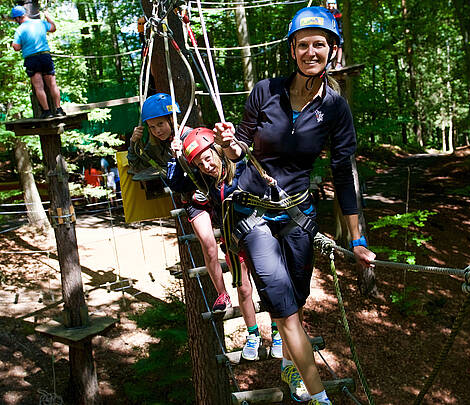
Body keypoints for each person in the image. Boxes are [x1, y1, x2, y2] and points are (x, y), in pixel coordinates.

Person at [213, 7, 375, 404]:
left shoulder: (335, 109)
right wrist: (230, 145)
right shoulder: (265, 92)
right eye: (302, 45)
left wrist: (357, 238)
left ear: (332, 50)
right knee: (285, 311)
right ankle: (318, 396)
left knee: (296, 302)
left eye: (319, 44)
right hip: (252, 213)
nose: (310, 51)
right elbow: (240, 148)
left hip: (298, 216)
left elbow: (344, 171)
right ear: (292, 51)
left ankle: (290, 365)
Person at [175, 127, 284, 361]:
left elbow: (243, 153)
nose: (206, 166)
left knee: (268, 285)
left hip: (259, 236)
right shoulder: (205, 180)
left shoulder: (240, 168)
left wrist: (229, 141)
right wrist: (179, 156)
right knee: (243, 288)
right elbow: (180, 180)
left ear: (217, 151)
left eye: (207, 158)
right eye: (200, 163)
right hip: (234, 242)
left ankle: (277, 333)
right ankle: (253, 334)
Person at [127, 93, 232, 314]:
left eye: (160, 125)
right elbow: (136, 165)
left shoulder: (191, 135)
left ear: (172, 120)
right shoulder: (156, 145)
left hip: (213, 195)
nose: (157, 131)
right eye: (152, 127)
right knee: (208, 244)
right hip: (193, 201)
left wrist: (182, 155)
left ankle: (242, 284)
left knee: (230, 245)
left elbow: (214, 163)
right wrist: (133, 142)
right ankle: (222, 295)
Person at [10, 5, 66, 119]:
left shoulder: (19, 30)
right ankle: (58, 109)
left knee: (38, 87)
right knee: (52, 84)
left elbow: (16, 47)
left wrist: (19, 44)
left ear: (17, 18)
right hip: (45, 56)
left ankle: (47, 111)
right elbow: (53, 28)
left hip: (32, 59)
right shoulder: (40, 23)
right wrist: (48, 17)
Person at [326, 0, 344, 69]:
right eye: (329, 4)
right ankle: (329, 63)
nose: (331, 6)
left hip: (338, 31)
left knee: (339, 46)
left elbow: (339, 22)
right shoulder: (326, 13)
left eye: (332, 4)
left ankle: (338, 63)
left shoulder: (337, 12)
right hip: (329, 32)